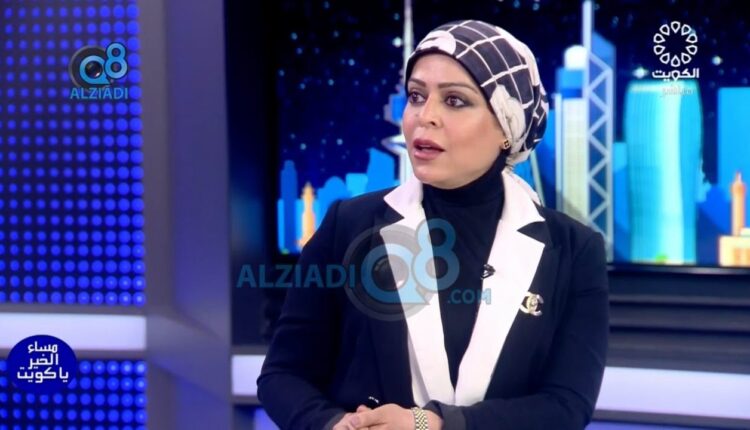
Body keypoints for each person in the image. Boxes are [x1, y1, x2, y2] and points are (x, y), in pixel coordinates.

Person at [257, 20, 609, 430]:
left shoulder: (573, 249)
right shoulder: (348, 225)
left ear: (507, 125)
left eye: (455, 100)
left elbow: (566, 406)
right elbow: (283, 375)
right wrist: (333, 425)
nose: (425, 117)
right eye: (416, 96)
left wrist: (431, 425)